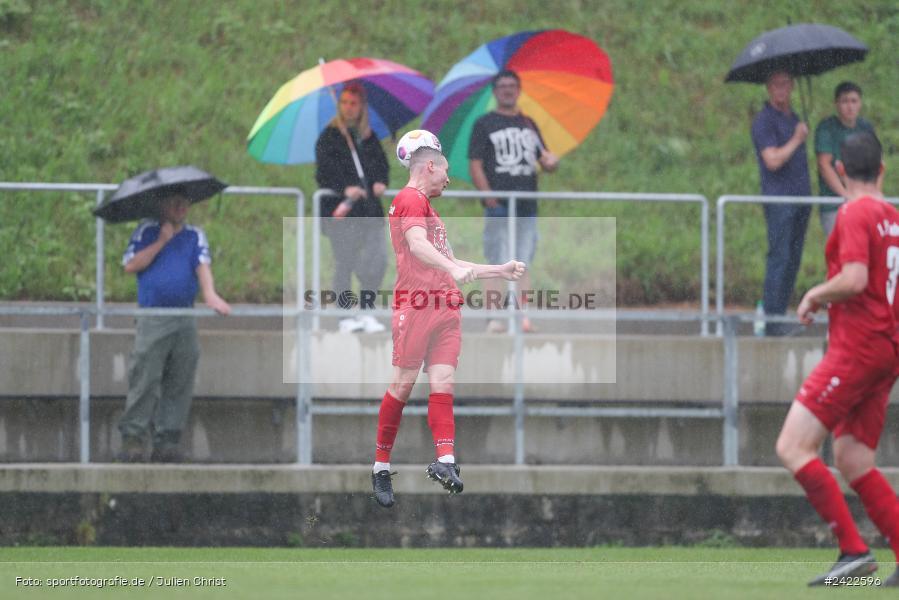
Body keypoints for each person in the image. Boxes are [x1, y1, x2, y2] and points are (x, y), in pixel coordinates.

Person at [370, 145, 526, 508]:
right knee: (403, 385)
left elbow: (449, 260)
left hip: (445, 306)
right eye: (445, 171)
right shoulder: (409, 199)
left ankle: (445, 461)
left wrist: (498, 270)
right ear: (429, 166)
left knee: (444, 383)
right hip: (417, 305)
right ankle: (380, 466)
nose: (449, 178)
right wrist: (453, 270)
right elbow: (418, 245)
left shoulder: (429, 209)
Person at [775, 132, 899, 587]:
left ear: (841, 172)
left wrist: (814, 294)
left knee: (792, 447)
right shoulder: (893, 218)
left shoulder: (854, 212)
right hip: (887, 349)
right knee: (853, 459)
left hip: (858, 349)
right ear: (883, 170)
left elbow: (853, 278)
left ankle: (854, 553)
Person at [117, 194, 230, 462]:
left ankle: (167, 441)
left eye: (185, 202)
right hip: (154, 316)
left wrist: (211, 295)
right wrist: (161, 241)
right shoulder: (147, 230)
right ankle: (133, 439)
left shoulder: (195, 235)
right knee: (145, 377)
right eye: (175, 202)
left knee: (180, 378)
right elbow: (131, 265)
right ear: (162, 204)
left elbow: (203, 266)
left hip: (184, 317)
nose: (181, 207)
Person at [468, 69, 558, 333]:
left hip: (526, 203)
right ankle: (494, 318)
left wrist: (552, 163)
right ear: (495, 92)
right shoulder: (484, 124)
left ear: (518, 90)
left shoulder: (528, 123)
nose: (507, 90)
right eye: (502, 86)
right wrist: (489, 198)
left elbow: (544, 159)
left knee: (523, 261)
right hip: (499, 203)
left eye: (512, 86)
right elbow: (476, 165)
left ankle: (522, 316)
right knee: (496, 261)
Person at [315, 81, 390, 334]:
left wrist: (380, 182)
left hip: (369, 211)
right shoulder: (329, 137)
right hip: (342, 211)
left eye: (353, 103)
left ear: (361, 107)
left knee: (377, 260)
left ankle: (368, 311)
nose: (348, 108)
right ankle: (344, 315)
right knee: (344, 261)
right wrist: (343, 188)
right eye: (344, 103)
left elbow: (381, 167)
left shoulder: (368, 138)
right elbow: (323, 172)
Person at [751, 70, 812, 336]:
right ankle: (772, 321)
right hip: (779, 200)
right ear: (768, 88)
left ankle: (782, 315)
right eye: (776, 84)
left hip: (801, 198)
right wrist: (797, 139)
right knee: (780, 257)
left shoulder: (795, 118)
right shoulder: (764, 121)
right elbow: (772, 160)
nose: (781, 89)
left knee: (793, 259)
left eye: (786, 84)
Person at [814, 82, 877, 236]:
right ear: (836, 104)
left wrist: (873, 194)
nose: (850, 106)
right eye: (845, 101)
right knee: (841, 255)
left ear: (860, 103)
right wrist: (846, 195)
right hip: (835, 205)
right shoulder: (826, 128)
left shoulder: (866, 128)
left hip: (863, 201)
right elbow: (824, 165)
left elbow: (877, 164)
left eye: (854, 101)